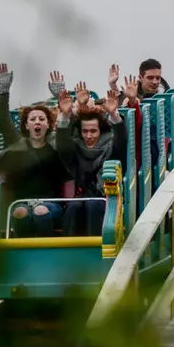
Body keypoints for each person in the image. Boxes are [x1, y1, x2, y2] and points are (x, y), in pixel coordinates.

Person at [0, 63, 71, 238]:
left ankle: (45, 251)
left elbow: (70, 130)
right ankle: (21, 251)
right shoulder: (17, 144)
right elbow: (3, 120)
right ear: (27, 125)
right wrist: (3, 90)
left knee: (40, 211)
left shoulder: (55, 145)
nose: (37, 122)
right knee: (19, 212)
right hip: (23, 204)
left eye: (41, 119)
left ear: (48, 124)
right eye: (33, 119)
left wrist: (61, 98)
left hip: (52, 205)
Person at [55, 85, 128, 236]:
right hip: (82, 197)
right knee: (74, 207)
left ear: (101, 131)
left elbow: (121, 141)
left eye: (93, 131)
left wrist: (113, 114)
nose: (88, 136)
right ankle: (68, 251)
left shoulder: (110, 146)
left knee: (94, 204)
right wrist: (64, 115)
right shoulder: (77, 147)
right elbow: (63, 147)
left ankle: (96, 250)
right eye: (85, 131)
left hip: (108, 197)